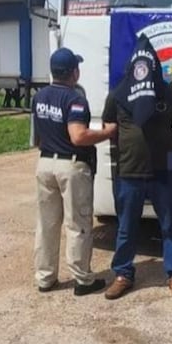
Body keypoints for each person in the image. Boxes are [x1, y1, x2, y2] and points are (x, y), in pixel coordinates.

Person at [101, 35, 172, 301]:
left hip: (165, 171)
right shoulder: (117, 94)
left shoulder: (169, 92)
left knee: (170, 226)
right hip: (129, 172)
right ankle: (123, 275)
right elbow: (110, 128)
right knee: (127, 227)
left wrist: (167, 143)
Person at [32, 47, 116, 296]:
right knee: (77, 223)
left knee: (47, 223)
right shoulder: (75, 99)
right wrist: (108, 133)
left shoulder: (39, 97)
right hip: (71, 165)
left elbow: (36, 139)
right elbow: (78, 135)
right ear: (74, 73)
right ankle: (83, 280)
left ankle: (45, 278)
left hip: (45, 163)